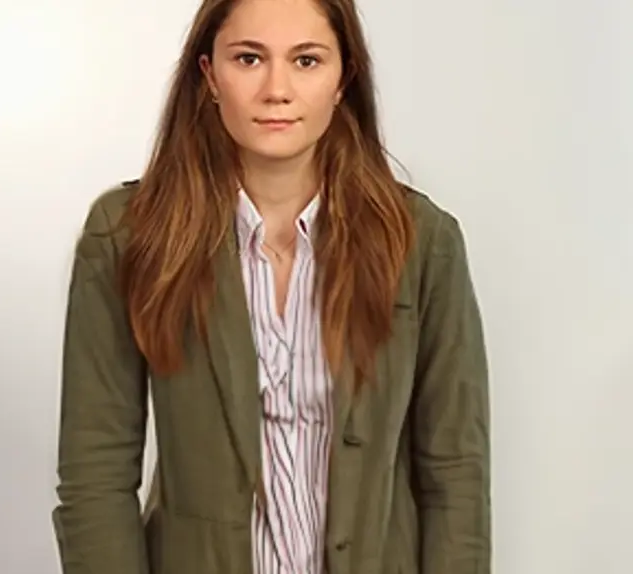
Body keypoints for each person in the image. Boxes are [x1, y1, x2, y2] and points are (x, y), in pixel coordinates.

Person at [52, 0, 491, 572]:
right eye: (249, 58)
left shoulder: (422, 242)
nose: (276, 88)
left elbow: (455, 470)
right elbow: (96, 473)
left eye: (307, 61)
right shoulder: (128, 235)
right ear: (209, 74)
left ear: (344, 79)